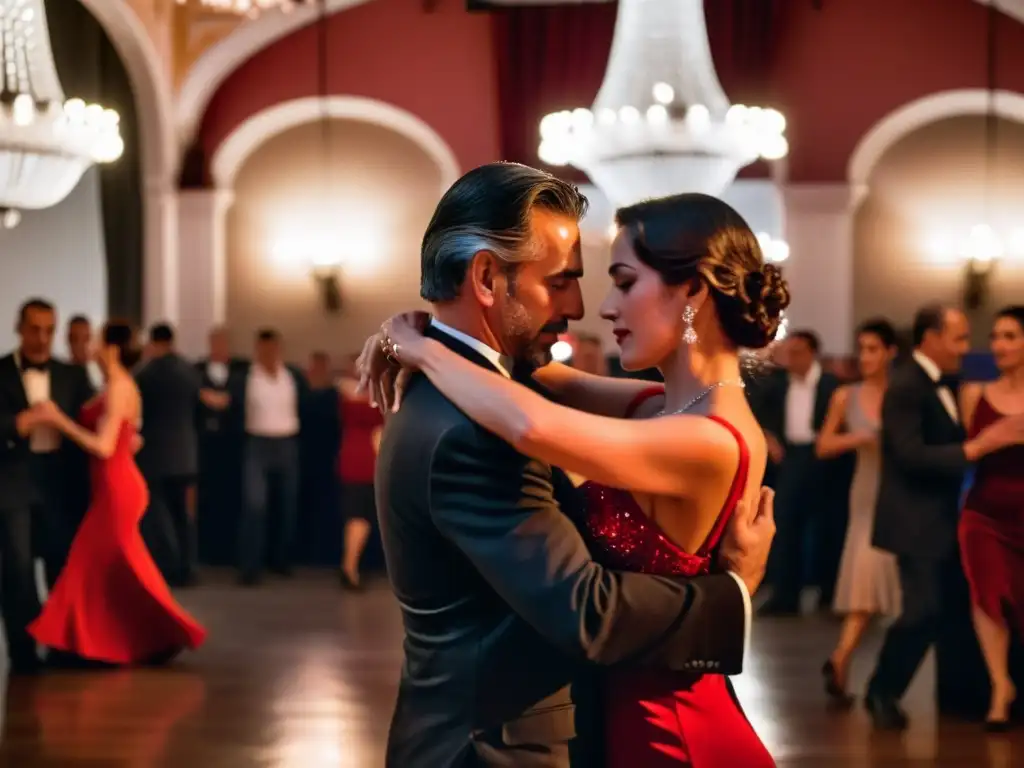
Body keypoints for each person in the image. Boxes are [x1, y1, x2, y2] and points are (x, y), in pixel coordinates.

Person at [361, 164, 778, 768]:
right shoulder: (656, 407)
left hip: (669, 725)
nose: (591, 308)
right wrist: (424, 333)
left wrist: (424, 344)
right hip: (511, 741)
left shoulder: (703, 433)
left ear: (692, 291)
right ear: (486, 276)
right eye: (564, 281)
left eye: (622, 282)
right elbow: (546, 386)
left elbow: (533, 419)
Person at [865, 304, 1024, 730]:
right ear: (931, 339)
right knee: (923, 611)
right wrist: (977, 448)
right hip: (916, 520)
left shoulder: (949, 383)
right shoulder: (904, 385)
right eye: (959, 339)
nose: (968, 348)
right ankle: (882, 691)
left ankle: (964, 696)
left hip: (949, 518)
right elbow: (908, 454)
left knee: (953, 608)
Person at [26, 322, 206, 665]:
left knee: (91, 563)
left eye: (96, 338)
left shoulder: (120, 386)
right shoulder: (116, 385)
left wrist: (56, 419)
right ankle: (120, 640)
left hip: (117, 488)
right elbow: (130, 438)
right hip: (114, 484)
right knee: (111, 567)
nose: (90, 343)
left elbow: (104, 446)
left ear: (110, 347)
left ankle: (96, 643)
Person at [0, 298, 92, 673]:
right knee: (18, 568)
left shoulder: (72, 374)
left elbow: (88, 423)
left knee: (61, 565)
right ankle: (23, 654)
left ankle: (62, 647)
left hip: (59, 482)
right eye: (34, 328)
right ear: (19, 328)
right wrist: (16, 424)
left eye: (49, 329)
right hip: (13, 480)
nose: (42, 337)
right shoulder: (0, 371)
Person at [816, 318, 901, 704]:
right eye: (862, 348)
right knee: (867, 580)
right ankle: (846, 662)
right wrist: (861, 436)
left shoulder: (904, 393)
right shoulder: (845, 396)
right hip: (867, 494)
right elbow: (823, 446)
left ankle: (845, 662)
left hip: (903, 494)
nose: (865, 356)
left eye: (873, 349)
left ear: (890, 352)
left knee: (893, 588)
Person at [958, 305, 1024, 729]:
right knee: (987, 593)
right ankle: (1000, 686)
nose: (998, 345)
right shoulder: (973, 393)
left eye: (1010, 336)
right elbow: (967, 453)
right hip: (984, 513)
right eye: (996, 336)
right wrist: (989, 440)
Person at [135, 323, 202, 587]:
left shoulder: (145, 373)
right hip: (185, 454)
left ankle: (168, 566)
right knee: (182, 515)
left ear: (153, 342)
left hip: (155, 455)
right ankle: (188, 567)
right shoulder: (190, 372)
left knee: (159, 516)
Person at [337, 355, 383, 589]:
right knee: (360, 515)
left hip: (360, 461)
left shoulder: (356, 395)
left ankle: (350, 567)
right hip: (364, 462)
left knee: (359, 515)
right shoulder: (361, 398)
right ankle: (349, 568)